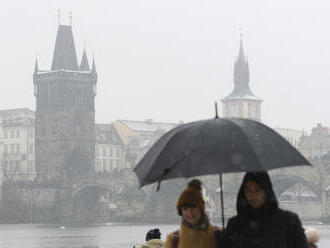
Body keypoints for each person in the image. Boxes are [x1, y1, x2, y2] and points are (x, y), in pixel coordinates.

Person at [224, 172, 309, 248]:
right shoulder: (234, 225)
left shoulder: (289, 221)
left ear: (266, 192)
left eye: (257, 190)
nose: (253, 196)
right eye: (248, 191)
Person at [165, 179, 223, 248]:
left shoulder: (218, 235)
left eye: (193, 207)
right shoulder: (173, 240)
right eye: (185, 209)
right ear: (181, 212)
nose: (189, 212)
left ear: (201, 208)